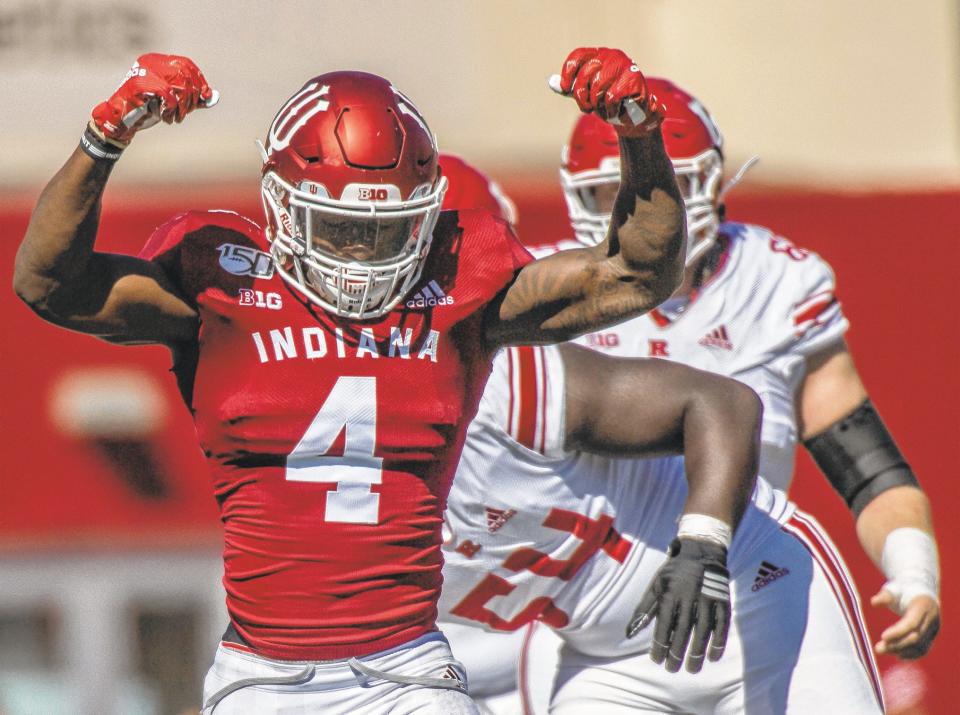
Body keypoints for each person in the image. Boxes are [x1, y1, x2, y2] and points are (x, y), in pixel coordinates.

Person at [11, 49, 686, 714]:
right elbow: (46, 282)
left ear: (425, 215)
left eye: (385, 232)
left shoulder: (457, 289)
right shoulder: (223, 288)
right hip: (260, 676)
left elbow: (635, 273)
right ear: (280, 205)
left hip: (406, 673)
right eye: (338, 229)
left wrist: (638, 133)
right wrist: (103, 139)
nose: (360, 254)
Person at [553, 76, 940, 667]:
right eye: (613, 194)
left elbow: (870, 470)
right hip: (595, 617)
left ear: (711, 180)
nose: (645, 211)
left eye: (671, 185)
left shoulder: (774, 283)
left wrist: (914, 574)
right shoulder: (546, 292)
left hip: (750, 593)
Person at [439, 340, 885, 713]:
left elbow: (719, 401)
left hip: (748, 586)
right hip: (605, 665)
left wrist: (702, 547)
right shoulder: (368, 545)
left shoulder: (493, 388)